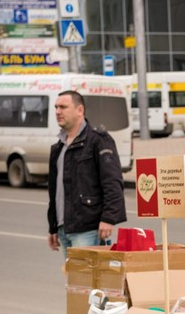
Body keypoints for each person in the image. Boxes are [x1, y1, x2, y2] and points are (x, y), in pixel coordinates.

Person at [47, 90, 127, 257]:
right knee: (74, 282)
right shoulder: (58, 148)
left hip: (88, 228)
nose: (57, 112)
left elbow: (113, 181)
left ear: (80, 110)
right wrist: (53, 226)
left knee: (86, 281)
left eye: (63, 107)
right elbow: (56, 192)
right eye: (56, 107)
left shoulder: (98, 140)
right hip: (64, 228)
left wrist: (108, 218)